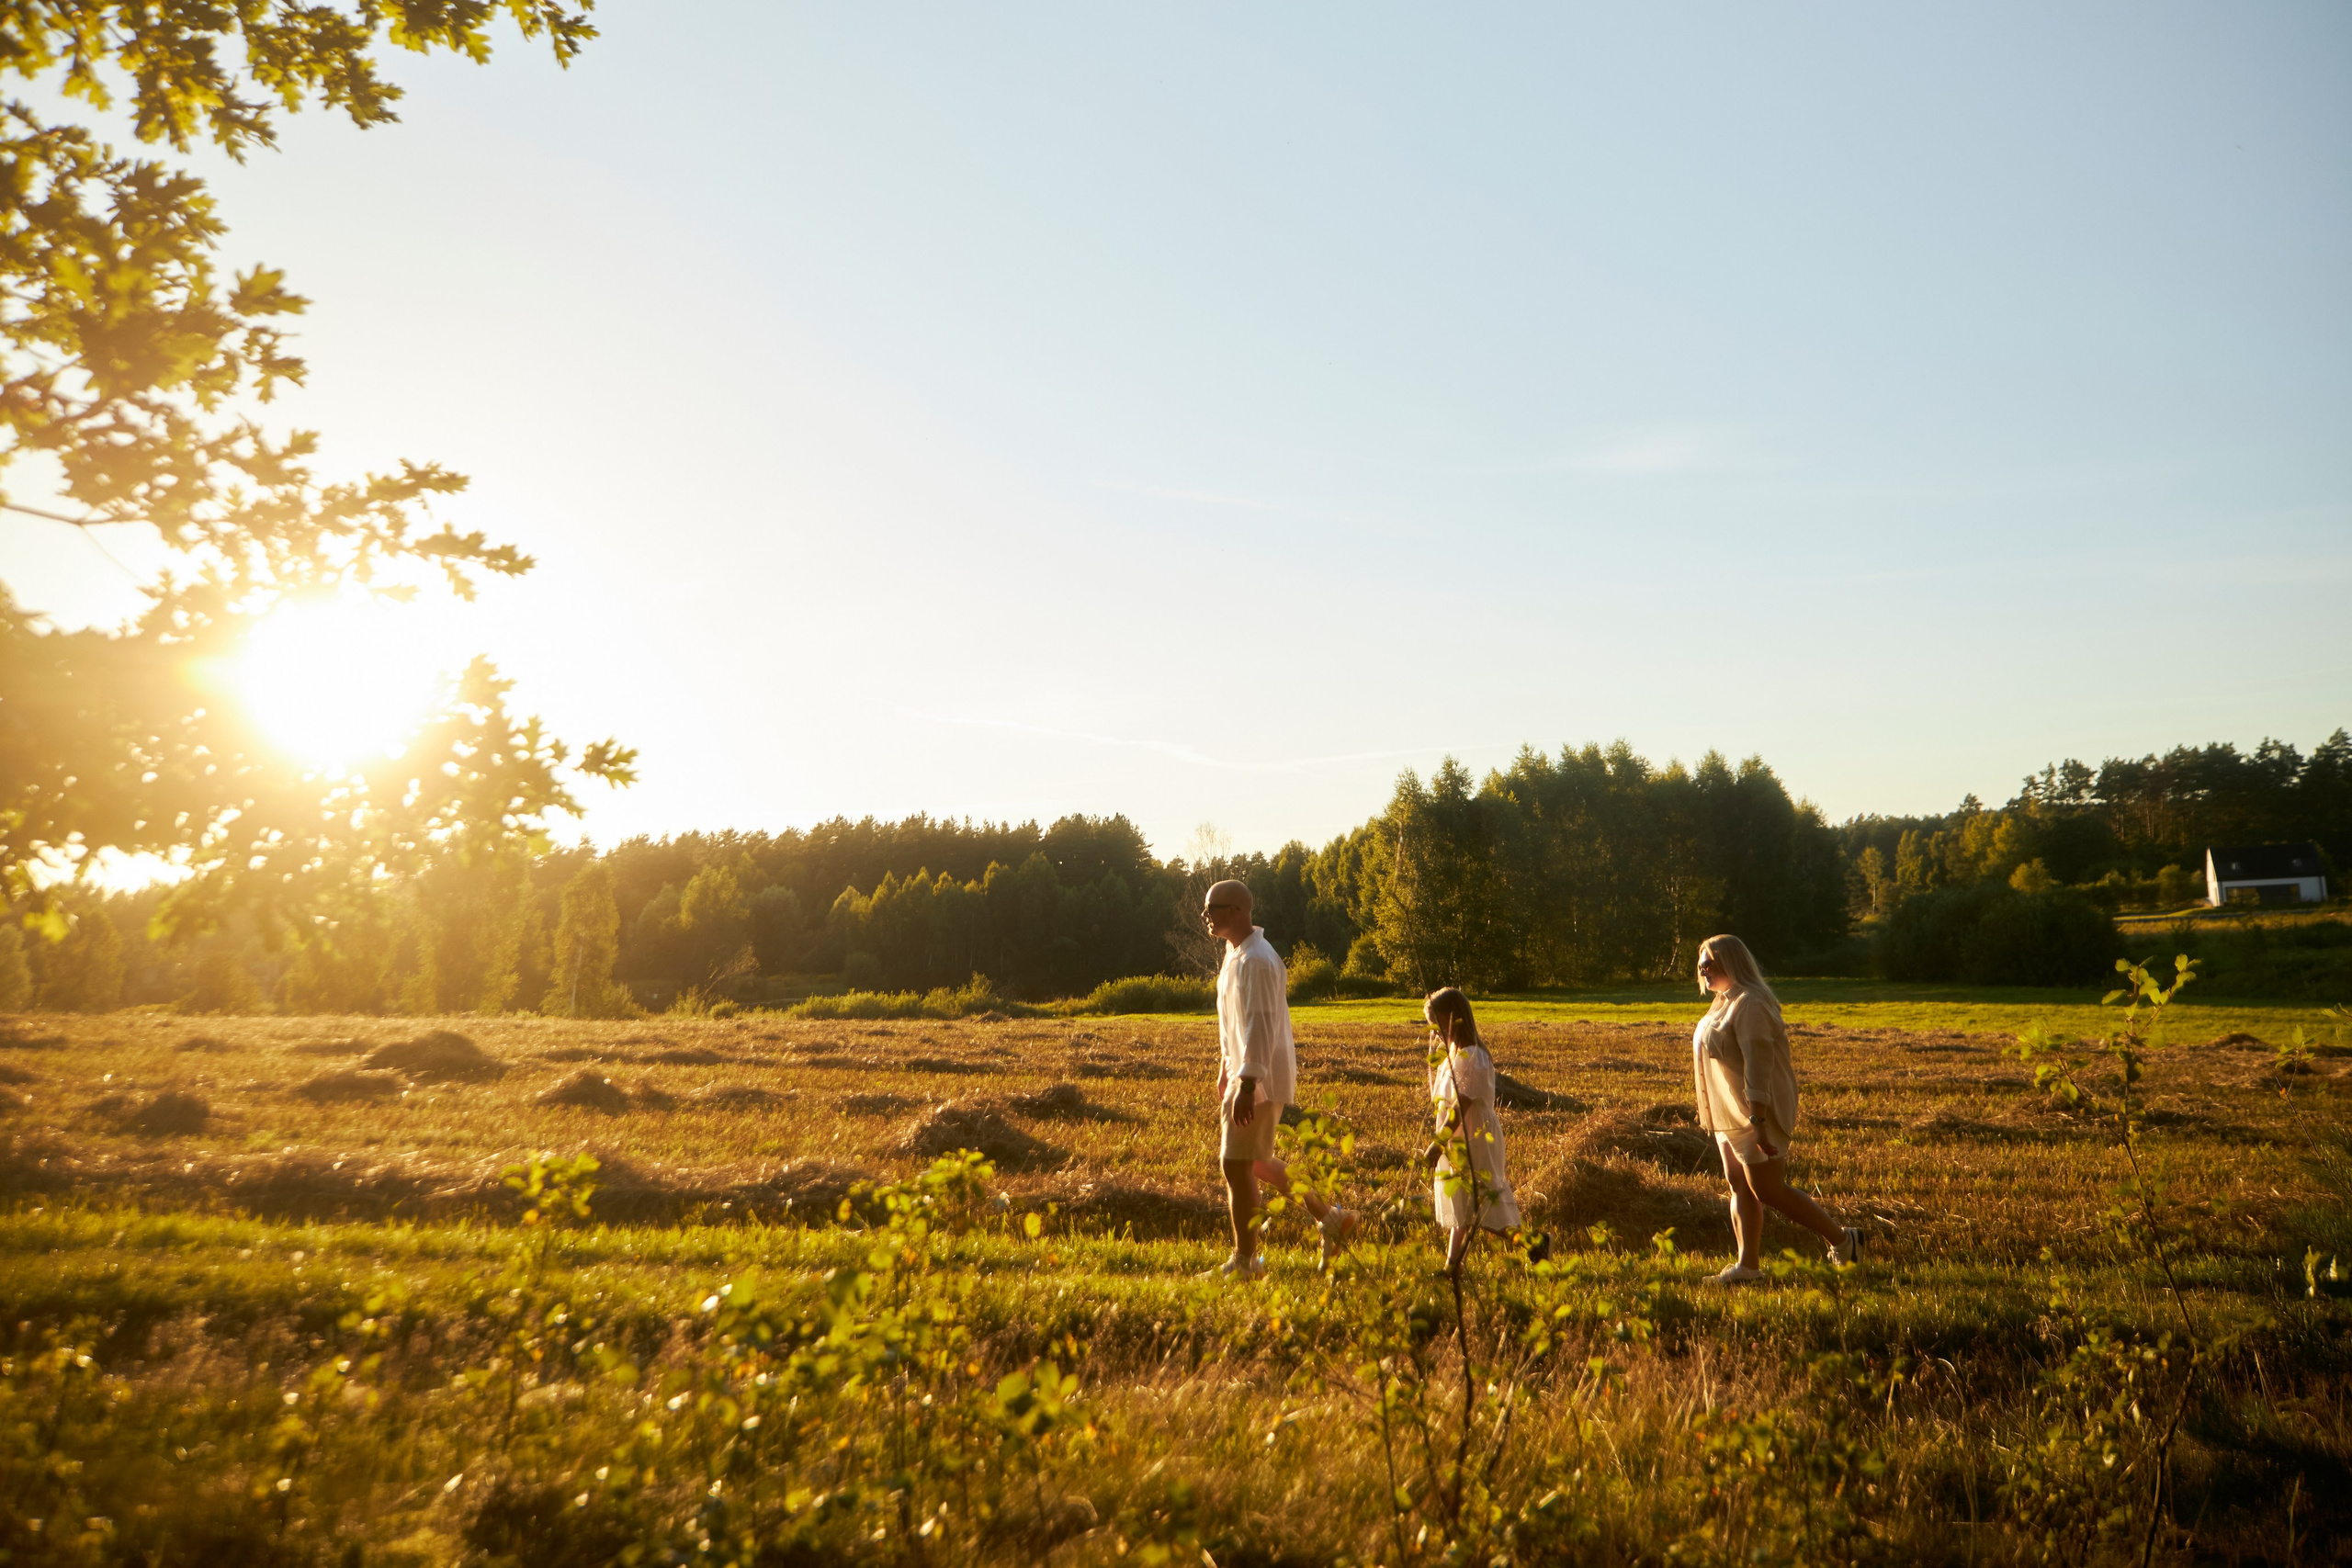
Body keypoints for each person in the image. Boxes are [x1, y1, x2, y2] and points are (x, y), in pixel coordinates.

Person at [1204, 878, 1358, 1279]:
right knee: (1256, 1163)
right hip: (1244, 1074)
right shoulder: (1235, 954)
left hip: (1258, 1078)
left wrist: (1249, 1081)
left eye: (1212, 907)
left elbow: (1261, 1024)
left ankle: (1246, 1262)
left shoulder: (1258, 959)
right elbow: (1232, 1024)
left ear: (1237, 909)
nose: (1205, 915)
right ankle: (1331, 1218)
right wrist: (1226, 1068)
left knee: (1235, 1167)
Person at [1690, 933, 1861, 1283]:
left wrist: (1758, 1120)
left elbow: (1759, 1066)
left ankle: (1844, 1241)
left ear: (1732, 962)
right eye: (1701, 963)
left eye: (1711, 961)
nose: (1703, 968)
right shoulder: (1725, 1001)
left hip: (1755, 1112)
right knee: (1738, 1184)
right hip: (1732, 1113)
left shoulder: (1750, 1003)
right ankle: (1748, 1267)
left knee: (1768, 1190)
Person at [1422, 987, 1541, 1275]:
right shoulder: (1453, 1056)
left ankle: (1534, 1243)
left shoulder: (1473, 1056)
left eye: (1437, 1025)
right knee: (1463, 1205)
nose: (1435, 1033)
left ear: (1453, 1019)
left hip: (1474, 1138)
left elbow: (1461, 1105)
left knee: (1482, 1207)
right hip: (1459, 1140)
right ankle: (1453, 1266)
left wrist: (1439, 1142)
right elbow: (1441, 1098)